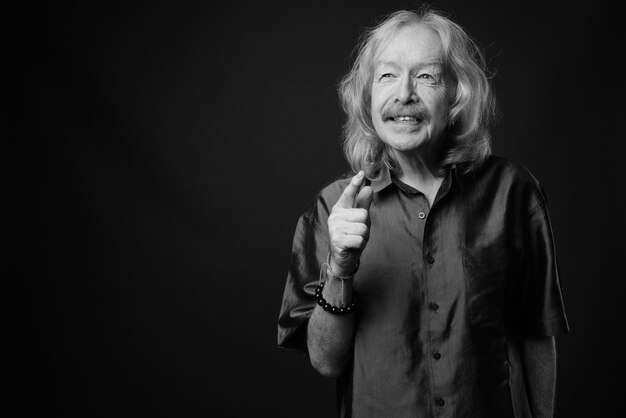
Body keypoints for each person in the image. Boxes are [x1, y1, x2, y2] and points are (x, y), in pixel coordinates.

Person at [277, 8, 569, 418]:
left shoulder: (513, 192)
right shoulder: (332, 208)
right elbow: (326, 361)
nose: (404, 94)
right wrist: (340, 267)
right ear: (368, 97)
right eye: (387, 76)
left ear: (456, 93)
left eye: (427, 76)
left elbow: (537, 335)